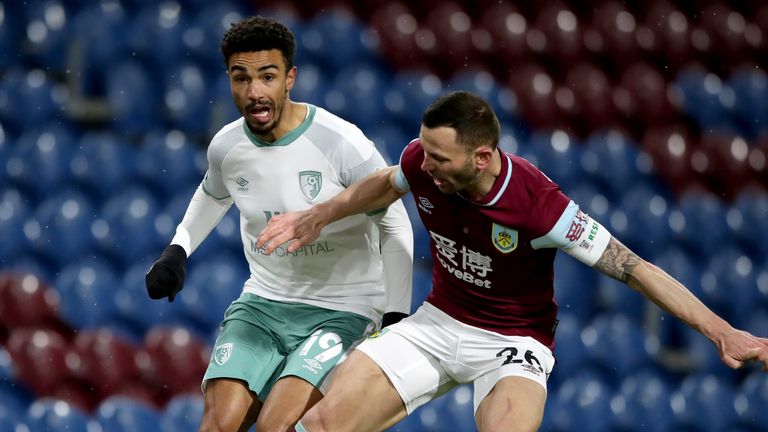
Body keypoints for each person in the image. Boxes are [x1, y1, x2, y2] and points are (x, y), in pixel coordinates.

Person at [256, 91, 768, 432]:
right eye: (424, 152)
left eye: (440, 158)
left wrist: (721, 331)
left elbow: (634, 268)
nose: (423, 165)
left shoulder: (539, 205)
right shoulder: (421, 160)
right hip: (436, 323)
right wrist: (320, 215)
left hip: (513, 344)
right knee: (321, 426)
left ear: (481, 158)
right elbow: (389, 182)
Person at [143, 16, 414, 432]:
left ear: (290, 78)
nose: (254, 92)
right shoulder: (227, 146)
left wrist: (395, 316)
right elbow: (213, 195)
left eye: (267, 77)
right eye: (241, 78)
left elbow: (394, 224)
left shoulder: (342, 143)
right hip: (263, 304)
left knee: (277, 427)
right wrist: (177, 249)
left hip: (344, 309)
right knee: (217, 425)